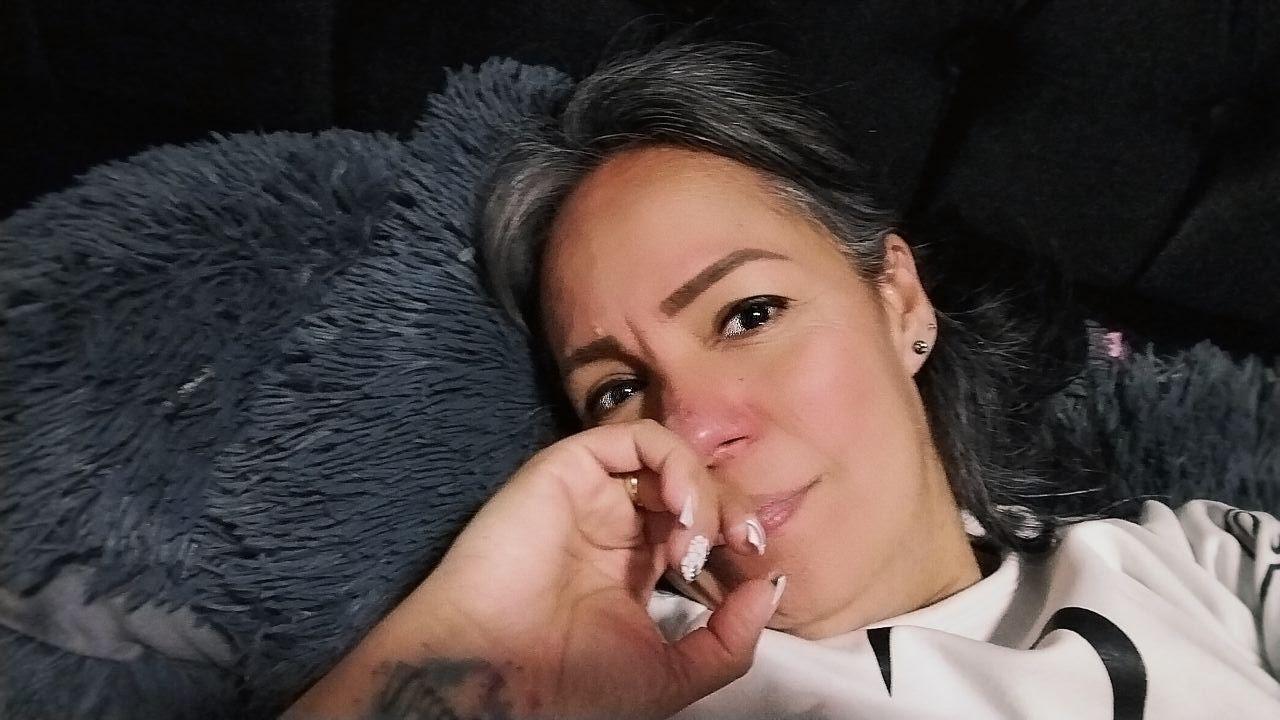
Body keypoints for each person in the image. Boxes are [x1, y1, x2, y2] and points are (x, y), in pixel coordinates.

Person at [285, 42, 1280, 719]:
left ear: (899, 300)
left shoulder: (1208, 568)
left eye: (748, 315)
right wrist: (468, 656)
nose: (692, 426)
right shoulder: (601, 679)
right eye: (617, 392)